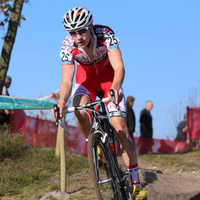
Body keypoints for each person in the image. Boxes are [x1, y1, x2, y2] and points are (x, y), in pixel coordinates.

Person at [51, 7, 147, 199]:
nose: (77, 36)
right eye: (72, 32)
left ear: (90, 26)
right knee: (78, 110)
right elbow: (67, 81)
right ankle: (94, 142)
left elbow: (119, 66)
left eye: (81, 30)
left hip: (109, 82)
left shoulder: (105, 34)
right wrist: (61, 101)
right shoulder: (66, 46)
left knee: (119, 127)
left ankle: (136, 183)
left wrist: (116, 87)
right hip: (86, 82)